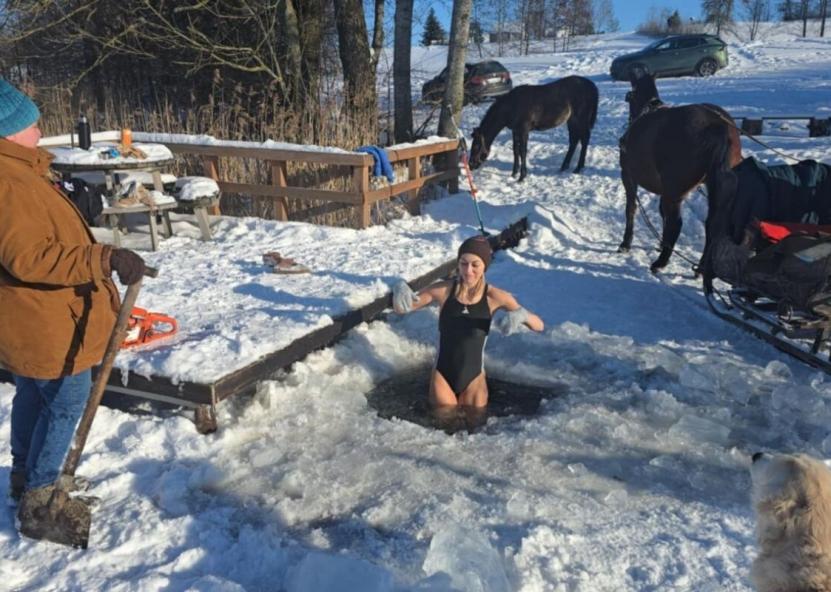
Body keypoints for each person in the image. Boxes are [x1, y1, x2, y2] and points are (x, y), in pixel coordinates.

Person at [0, 79, 146, 539]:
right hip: (45, 320)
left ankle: (25, 478)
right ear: (8, 131)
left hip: (36, 318)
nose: (40, 130)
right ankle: (42, 499)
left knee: (33, 394)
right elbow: (27, 255)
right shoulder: (7, 181)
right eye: (31, 123)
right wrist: (102, 258)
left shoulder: (19, 172)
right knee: (65, 402)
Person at [392, 236, 544, 408]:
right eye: (463, 263)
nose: (468, 271)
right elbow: (403, 307)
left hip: (474, 379)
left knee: (474, 425)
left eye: (475, 265)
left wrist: (522, 315)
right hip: (442, 376)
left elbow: (539, 326)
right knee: (444, 421)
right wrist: (399, 287)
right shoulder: (444, 290)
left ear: (484, 266)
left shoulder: (494, 297)